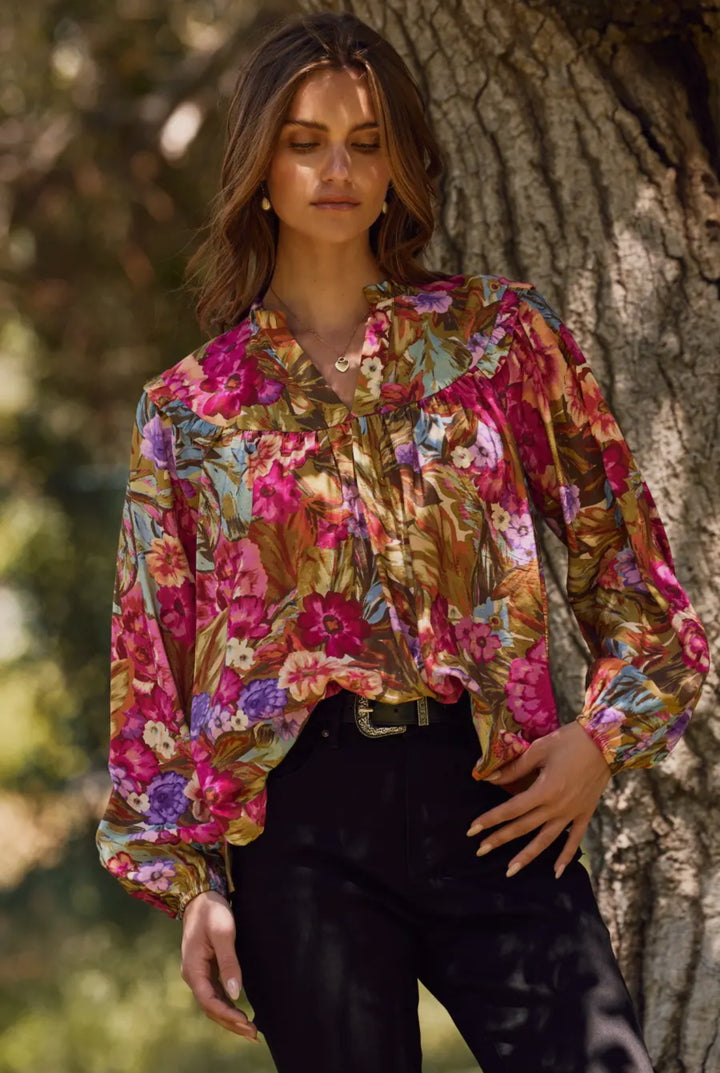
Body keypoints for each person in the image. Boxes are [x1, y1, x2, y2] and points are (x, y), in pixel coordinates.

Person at [96, 11, 709, 1073]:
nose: (337, 168)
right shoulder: (190, 410)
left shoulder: (501, 343)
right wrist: (190, 885)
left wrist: (601, 742)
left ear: (401, 166)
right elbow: (151, 676)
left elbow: (635, 581)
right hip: (298, 831)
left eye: (366, 141)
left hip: (497, 794)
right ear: (260, 166)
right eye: (304, 140)